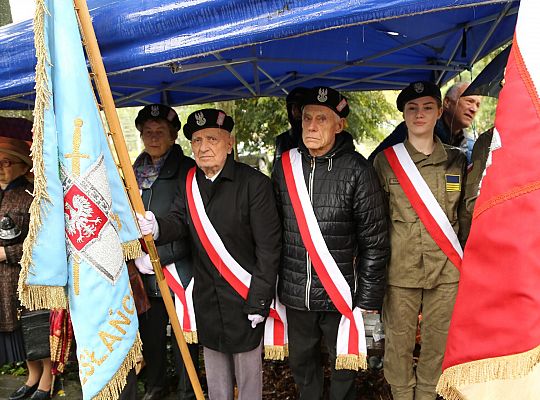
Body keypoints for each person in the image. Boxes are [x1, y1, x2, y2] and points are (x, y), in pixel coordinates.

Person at [138, 108, 281, 400]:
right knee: (216, 383)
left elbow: (269, 249)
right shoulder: (189, 181)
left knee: (249, 382)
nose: (204, 147)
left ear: (229, 144)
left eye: (212, 139)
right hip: (207, 297)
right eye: (198, 140)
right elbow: (179, 220)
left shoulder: (255, 184)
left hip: (245, 298)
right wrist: (157, 227)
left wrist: (259, 300)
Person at [272, 86, 389, 400]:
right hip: (296, 293)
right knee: (302, 365)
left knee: (344, 370)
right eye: (307, 117)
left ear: (340, 125)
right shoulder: (284, 168)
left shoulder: (359, 171)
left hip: (341, 296)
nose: (311, 125)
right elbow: (273, 231)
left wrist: (367, 301)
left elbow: (374, 243)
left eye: (321, 119)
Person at [372, 81, 468, 400]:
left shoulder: (456, 161)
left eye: (427, 107)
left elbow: (464, 218)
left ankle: (427, 394)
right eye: (412, 108)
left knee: (437, 344)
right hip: (400, 270)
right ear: (403, 115)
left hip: (447, 271)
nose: (419, 114)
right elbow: (376, 221)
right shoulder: (385, 162)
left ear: (440, 112)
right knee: (397, 346)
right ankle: (402, 395)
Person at [130, 104, 199, 400]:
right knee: (152, 333)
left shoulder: (187, 170)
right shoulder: (134, 168)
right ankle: (156, 385)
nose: (153, 137)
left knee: (186, 333)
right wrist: (135, 255)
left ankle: (186, 388)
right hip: (144, 270)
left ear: (173, 136)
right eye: (148, 132)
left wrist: (162, 257)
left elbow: (190, 223)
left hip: (180, 268)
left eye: (160, 132)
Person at [0, 118, 52, 400]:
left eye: (7, 162)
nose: (1, 167)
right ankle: (32, 377)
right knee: (19, 332)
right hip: (4, 281)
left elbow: (43, 242)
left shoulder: (32, 195)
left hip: (29, 275)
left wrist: (6, 253)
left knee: (37, 328)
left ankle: (47, 380)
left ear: (23, 165)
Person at [368, 81, 482, 162]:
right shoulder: (411, 129)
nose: (474, 109)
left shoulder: (469, 145)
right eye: (469, 101)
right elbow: (374, 164)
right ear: (447, 102)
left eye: (477, 104)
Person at [272, 87, 309, 165]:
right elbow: (275, 171)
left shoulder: (317, 138)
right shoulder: (281, 140)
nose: (294, 111)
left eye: (299, 106)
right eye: (292, 107)